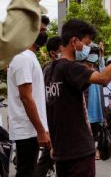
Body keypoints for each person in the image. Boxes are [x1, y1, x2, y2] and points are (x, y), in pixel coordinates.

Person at [44, 19, 111, 177]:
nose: (88, 48)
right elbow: (103, 78)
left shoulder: (49, 70)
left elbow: (52, 109)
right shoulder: (71, 68)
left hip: (61, 150)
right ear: (74, 41)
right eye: (86, 43)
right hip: (79, 150)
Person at [7, 30, 50, 177]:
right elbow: (26, 97)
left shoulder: (29, 57)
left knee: (30, 171)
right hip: (27, 130)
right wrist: (40, 130)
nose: (43, 32)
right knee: (26, 172)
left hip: (32, 129)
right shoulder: (22, 58)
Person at [36, 36, 61, 177]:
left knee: (48, 158)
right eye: (61, 49)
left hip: (51, 121)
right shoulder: (49, 69)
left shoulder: (48, 67)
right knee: (48, 157)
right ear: (53, 53)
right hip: (53, 121)